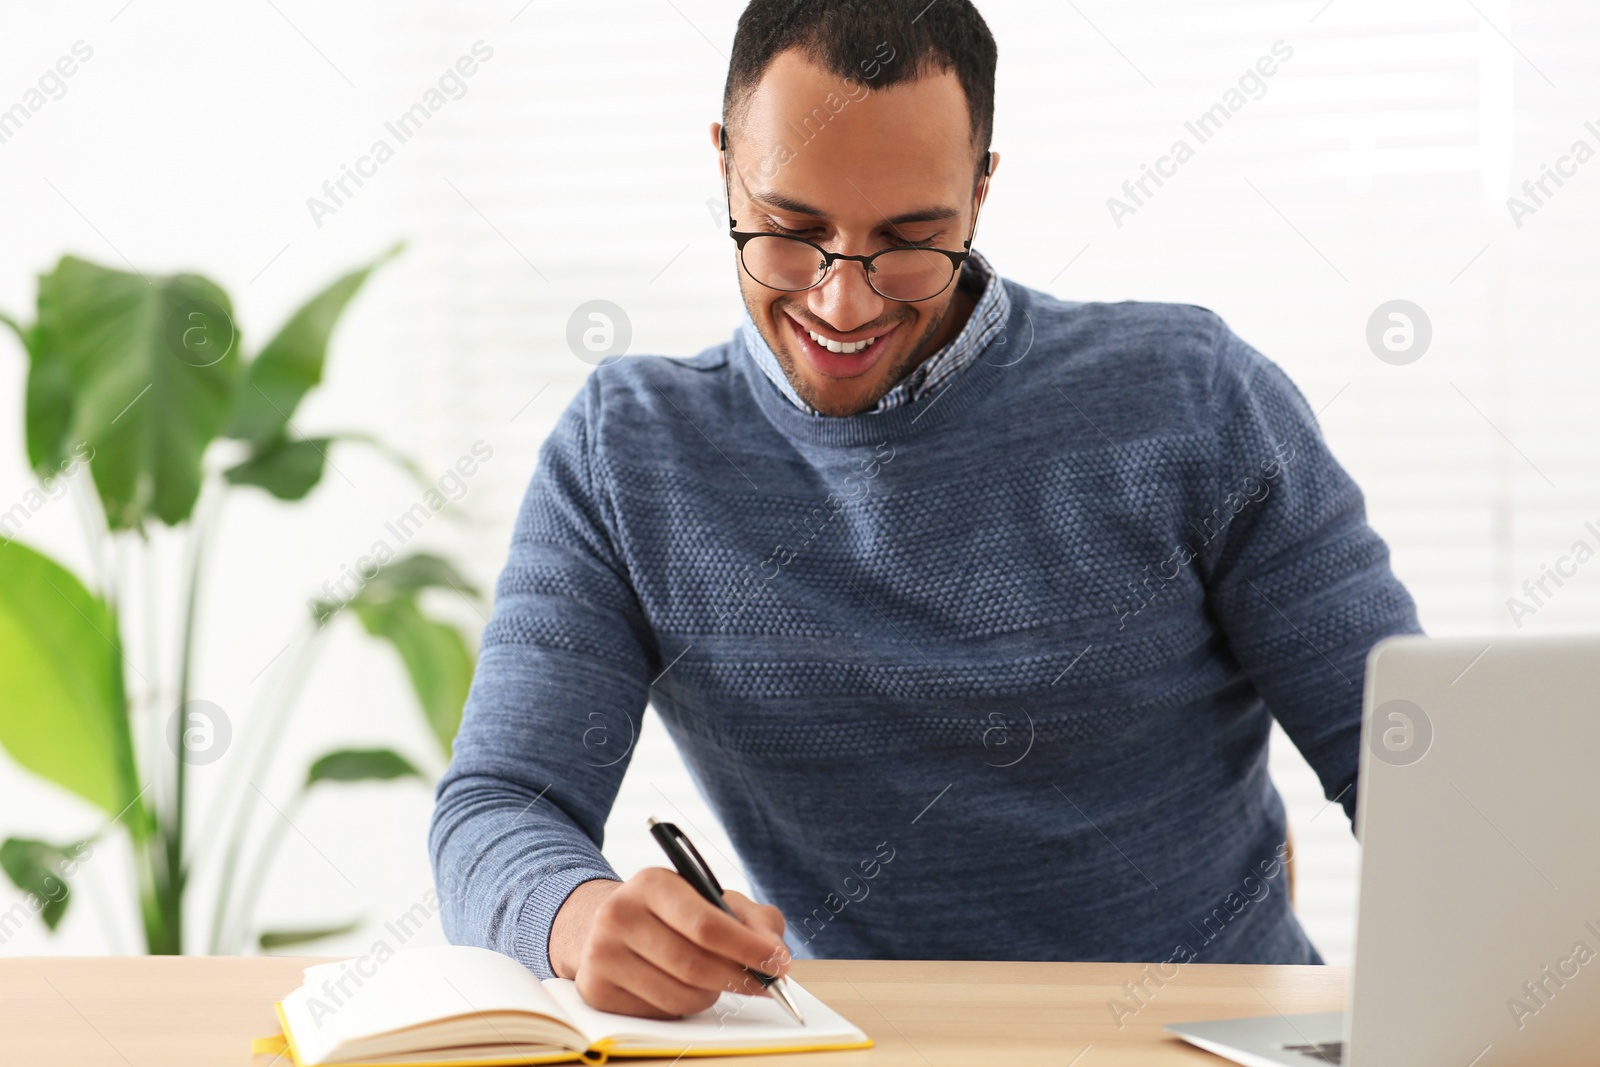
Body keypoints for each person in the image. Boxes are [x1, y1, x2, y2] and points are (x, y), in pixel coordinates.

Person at [429, 0, 1421, 1020]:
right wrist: (578, 914)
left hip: (1206, 1040)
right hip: (862, 1044)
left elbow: (1409, 765)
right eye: (789, 230)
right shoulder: (626, 452)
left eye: (909, 240)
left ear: (981, 188)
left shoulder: (1193, 398)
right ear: (723, 161)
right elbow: (498, 803)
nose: (840, 302)